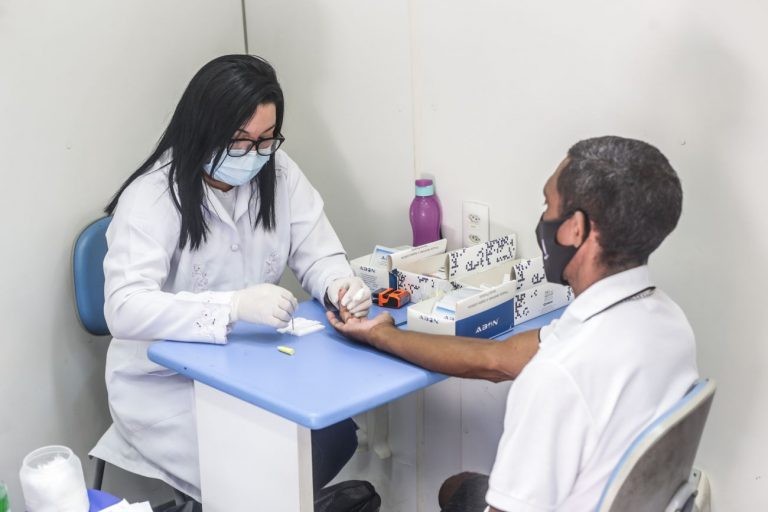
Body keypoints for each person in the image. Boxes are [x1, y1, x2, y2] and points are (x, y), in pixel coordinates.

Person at [328, 136, 699, 511]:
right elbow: (499, 358)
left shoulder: (557, 378)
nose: (542, 217)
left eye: (548, 203)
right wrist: (384, 335)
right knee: (458, 489)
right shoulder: (670, 323)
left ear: (575, 228)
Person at [90, 54, 372, 501]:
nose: (253, 155)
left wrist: (340, 284)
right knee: (263, 468)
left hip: (253, 368)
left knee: (330, 437)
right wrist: (232, 307)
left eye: (266, 140)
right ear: (203, 128)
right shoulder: (151, 197)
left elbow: (318, 253)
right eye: (238, 141)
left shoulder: (278, 172)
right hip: (166, 386)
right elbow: (123, 309)